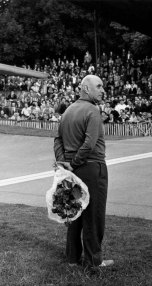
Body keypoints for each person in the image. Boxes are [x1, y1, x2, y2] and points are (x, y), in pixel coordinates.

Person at [54, 75, 114, 268]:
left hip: (72, 170)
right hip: (92, 167)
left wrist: (64, 161)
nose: (102, 90)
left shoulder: (68, 111)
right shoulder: (93, 111)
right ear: (86, 89)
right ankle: (94, 260)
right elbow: (89, 144)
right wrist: (75, 161)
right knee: (93, 215)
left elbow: (57, 140)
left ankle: (72, 258)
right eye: (99, 86)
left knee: (75, 213)